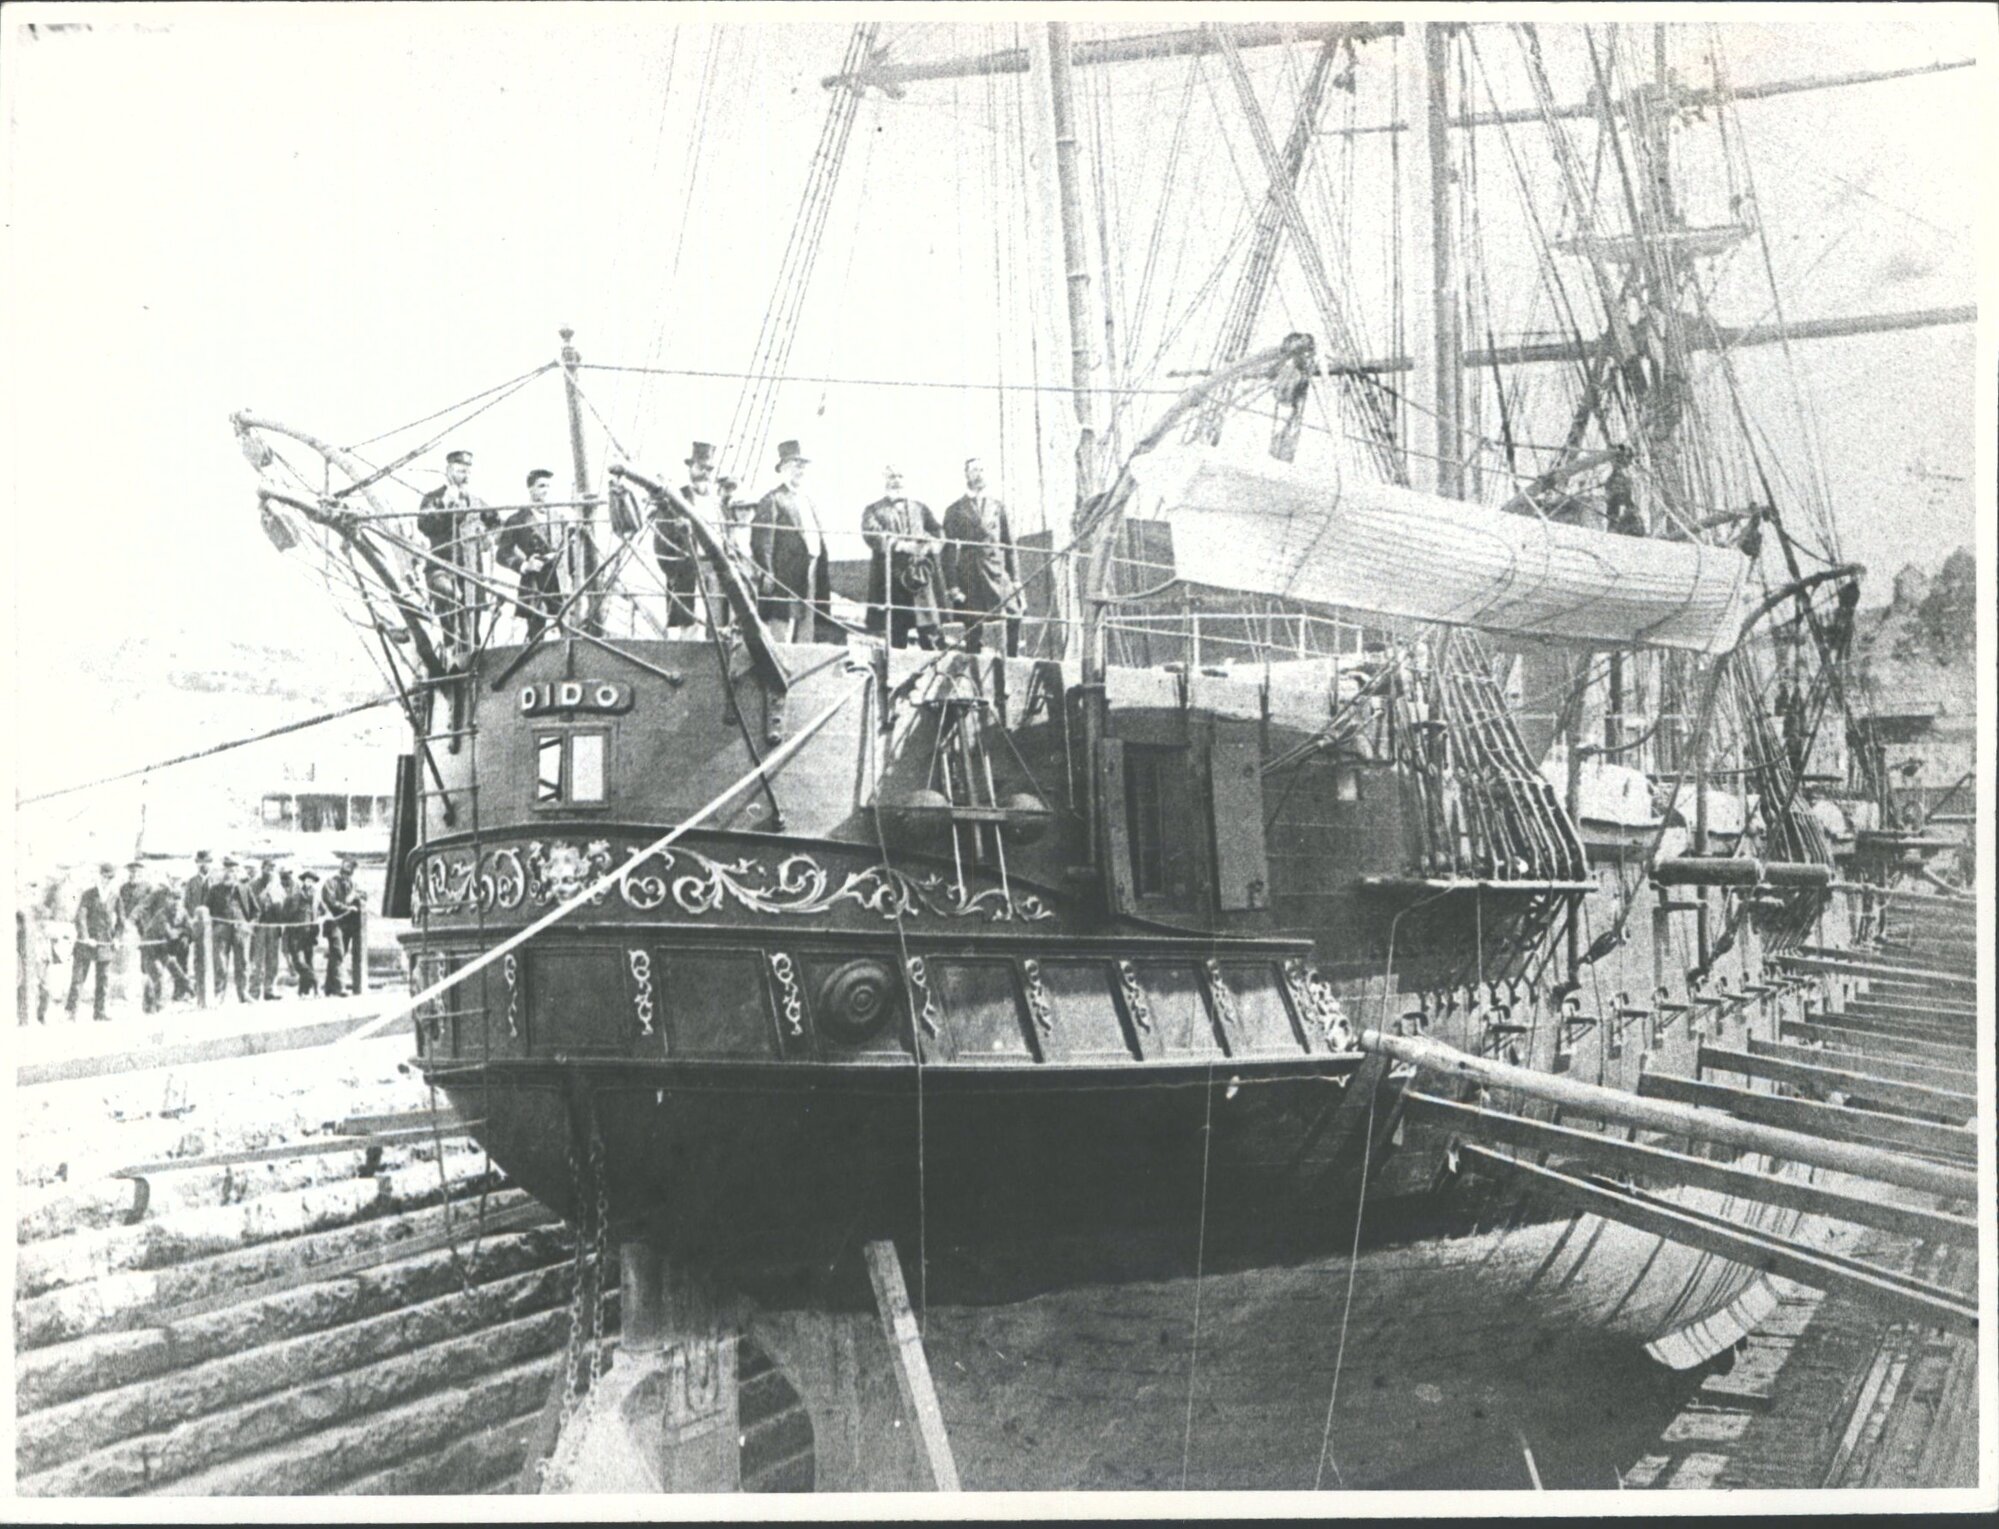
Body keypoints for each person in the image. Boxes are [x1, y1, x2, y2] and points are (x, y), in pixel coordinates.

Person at [416, 448, 498, 655]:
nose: (465, 476)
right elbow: (424, 525)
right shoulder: (432, 499)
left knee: (472, 632)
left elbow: (498, 525)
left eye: (468, 471)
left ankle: (471, 669)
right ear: (449, 470)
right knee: (451, 607)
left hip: (471, 573)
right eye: (461, 471)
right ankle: (453, 657)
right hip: (442, 570)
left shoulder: (476, 502)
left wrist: (488, 538)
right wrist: (444, 503)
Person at [942, 456, 1024, 657]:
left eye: (982, 470)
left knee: (1013, 615)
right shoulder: (954, 510)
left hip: (996, 570)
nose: (979, 475)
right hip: (970, 573)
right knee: (972, 624)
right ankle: (972, 668)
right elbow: (949, 550)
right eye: (974, 471)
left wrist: (1015, 579)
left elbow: (1009, 543)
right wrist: (952, 586)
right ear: (966, 475)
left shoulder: (997, 506)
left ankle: (1012, 663)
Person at [750, 439, 828, 643]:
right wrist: (767, 571)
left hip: (811, 570)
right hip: (785, 574)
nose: (800, 470)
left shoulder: (809, 500)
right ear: (783, 468)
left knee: (806, 626)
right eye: (795, 465)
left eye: (803, 465)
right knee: (782, 625)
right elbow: (762, 540)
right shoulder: (773, 499)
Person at [861, 465, 944, 650]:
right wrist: (900, 545)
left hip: (920, 580)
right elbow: (872, 534)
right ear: (885, 480)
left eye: (900, 476)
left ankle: (935, 675)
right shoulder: (873, 510)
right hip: (892, 580)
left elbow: (937, 531)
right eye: (891, 476)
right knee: (896, 635)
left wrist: (929, 545)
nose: (896, 480)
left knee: (931, 633)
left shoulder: (920, 508)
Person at [655, 441, 722, 633]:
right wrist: (674, 572)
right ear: (691, 468)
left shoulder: (716, 504)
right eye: (701, 468)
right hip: (687, 570)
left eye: (709, 469)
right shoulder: (677, 499)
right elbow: (661, 541)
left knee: (716, 625)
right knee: (691, 626)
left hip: (715, 570)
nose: (705, 473)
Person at [497, 468, 567, 641]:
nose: (546, 491)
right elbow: (502, 553)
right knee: (536, 630)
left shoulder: (559, 517)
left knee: (568, 629)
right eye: (541, 486)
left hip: (559, 582)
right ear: (531, 489)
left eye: (548, 487)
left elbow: (568, 551)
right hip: (535, 582)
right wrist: (524, 565)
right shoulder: (517, 520)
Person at [66, 862, 123, 1022]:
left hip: (106, 943)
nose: (107, 880)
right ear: (99, 876)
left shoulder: (115, 896)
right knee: (78, 979)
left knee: (103, 979)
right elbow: (80, 917)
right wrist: (85, 937)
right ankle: (71, 1012)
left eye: (110, 878)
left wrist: (117, 938)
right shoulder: (89, 894)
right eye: (105, 877)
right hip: (87, 943)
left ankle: (100, 1012)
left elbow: (121, 921)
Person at [205, 856, 255, 1004]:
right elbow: (206, 909)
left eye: (232, 871)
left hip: (241, 931)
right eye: (226, 870)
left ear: (237, 873)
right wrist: (214, 927)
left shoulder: (245, 889)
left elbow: (256, 911)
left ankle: (243, 993)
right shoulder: (215, 890)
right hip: (221, 931)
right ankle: (219, 994)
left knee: (243, 963)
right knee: (220, 963)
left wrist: (249, 925)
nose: (229, 874)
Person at [135, 883, 190, 1013]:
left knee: (177, 971)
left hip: (162, 949)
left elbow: (191, 930)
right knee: (157, 974)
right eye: (172, 898)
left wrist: (183, 932)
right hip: (150, 949)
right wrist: (182, 931)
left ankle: (188, 991)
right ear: (167, 899)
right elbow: (170, 934)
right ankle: (152, 1005)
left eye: (178, 898)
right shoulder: (162, 914)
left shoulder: (182, 912)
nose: (176, 902)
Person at [319, 857, 365, 998]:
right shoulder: (330, 883)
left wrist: (359, 898)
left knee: (338, 954)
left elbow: (363, 895)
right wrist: (347, 907)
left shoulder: (353, 885)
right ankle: (339, 987)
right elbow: (331, 902)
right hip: (334, 923)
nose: (348, 873)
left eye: (350, 870)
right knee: (338, 952)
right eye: (346, 869)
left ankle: (329, 987)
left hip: (348, 925)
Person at [182, 850, 215, 997]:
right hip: (195, 925)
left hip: (212, 926)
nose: (203, 865)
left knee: (211, 957)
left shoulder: (215, 881)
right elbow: (187, 903)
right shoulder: (191, 882)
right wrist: (189, 922)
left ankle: (211, 989)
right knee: (196, 957)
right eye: (201, 862)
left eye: (206, 862)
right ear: (197, 864)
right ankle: (194, 988)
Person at [283, 871, 321, 998]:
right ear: (303, 881)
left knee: (309, 961)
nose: (309, 882)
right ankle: (315, 981)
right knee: (298, 962)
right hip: (295, 932)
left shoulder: (316, 896)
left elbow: (320, 911)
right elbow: (287, 912)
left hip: (310, 933)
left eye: (312, 880)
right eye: (307, 880)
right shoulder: (296, 894)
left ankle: (303, 991)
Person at [250, 857, 284, 1000]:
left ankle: (270, 989)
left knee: (273, 959)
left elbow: (283, 905)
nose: (270, 871)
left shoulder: (277, 885)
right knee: (257, 959)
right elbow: (252, 903)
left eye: (272, 869)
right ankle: (254, 990)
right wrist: (266, 892)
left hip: (273, 926)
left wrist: (278, 898)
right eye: (268, 868)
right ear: (262, 868)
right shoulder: (254, 884)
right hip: (259, 926)